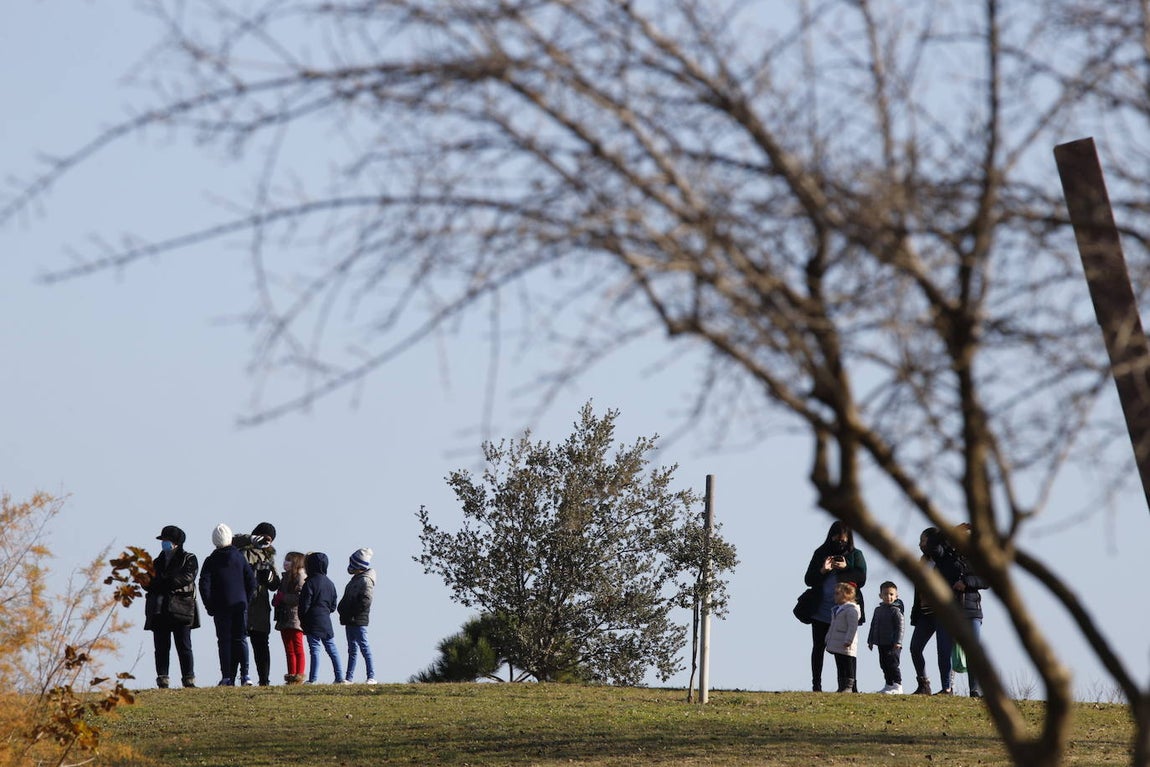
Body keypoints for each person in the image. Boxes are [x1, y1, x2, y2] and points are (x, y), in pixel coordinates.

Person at [801, 521, 867, 691]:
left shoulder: (855, 555)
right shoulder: (821, 553)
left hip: (844, 611)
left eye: (843, 540)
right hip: (821, 610)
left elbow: (862, 578)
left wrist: (846, 567)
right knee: (818, 647)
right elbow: (808, 579)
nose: (839, 542)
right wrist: (823, 570)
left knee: (845, 650)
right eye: (836, 538)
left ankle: (848, 686)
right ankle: (816, 684)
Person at [929, 524, 989, 697]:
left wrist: (967, 583)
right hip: (947, 608)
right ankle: (946, 687)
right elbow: (932, 545)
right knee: (944, 649)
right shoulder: (943, 555)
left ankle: (974, 689)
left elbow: (987, 580)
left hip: (971, 610)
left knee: (973, 651)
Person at [198, 523, 256, 686]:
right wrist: (246, 599)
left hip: (220, 606)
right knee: (241, 639)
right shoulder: (240, 558)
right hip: (239, 605)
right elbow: (251, 581)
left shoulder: (211, 560)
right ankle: (245, 675)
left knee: (224, 641)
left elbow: (204, 584)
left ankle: (227, 676)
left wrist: (209, 605)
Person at [143, 525, 200, 689]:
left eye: (167, 541)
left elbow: (186, 577)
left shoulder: (188, 558)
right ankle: (162, 677)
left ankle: (188, 678)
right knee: (161, 646)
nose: (164, 544)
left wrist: (163, 582)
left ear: (175, 543)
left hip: (181, 607)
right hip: (159, 609)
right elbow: (147, 582)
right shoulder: (157, 561)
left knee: (184, 645)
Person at [233, 522, 281, 686]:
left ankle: (264, 680)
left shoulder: (268, 556)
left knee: (261, 645)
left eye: (270, 540)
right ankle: (236, 677)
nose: (267, 542)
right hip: (242, 602)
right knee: (238, 642)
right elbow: (230, 540)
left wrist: (268, 577)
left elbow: (276, 584)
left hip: (260, 605)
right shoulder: (240, 550)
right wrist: (252, 539)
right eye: (265, 538)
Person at [298, 551, 344, 684]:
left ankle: (313, 679)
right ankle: (339, 677)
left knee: (315, 649)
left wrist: (303, 618)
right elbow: (333, 604)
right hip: (325, 620)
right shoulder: (330, 583)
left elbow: (304, 604)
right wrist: (325, 611)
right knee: (331, 648)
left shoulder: (310, 583)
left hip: (312, 620)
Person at [908, 527, 941, 695]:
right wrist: (916, 610)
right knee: (915, 647)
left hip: (942, 612)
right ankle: (923, 682)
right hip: (925, 611)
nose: (920, 544)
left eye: (923, 541)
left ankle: (948, 685)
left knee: (943, 649)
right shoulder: (923, 561)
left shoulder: (944, 559)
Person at [338, 547, 377, 684]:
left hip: (358, 619)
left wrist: (353, 612)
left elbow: (366, 601)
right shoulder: (355, 579)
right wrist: (342, 608)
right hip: (349, 619)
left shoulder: (365, 580)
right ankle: (349, 678)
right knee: (352, 650)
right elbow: (346, 597)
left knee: (364, 647)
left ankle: (371, 676)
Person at [274, 551, 308, 684]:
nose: (285, 562)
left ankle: (299, 675)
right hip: (284, 616)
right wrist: (277, 600)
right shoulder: (286, 577)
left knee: (297, 647)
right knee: (288, 648)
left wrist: (284, 598)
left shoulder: (300, 576)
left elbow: (300, 598)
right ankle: (291, 674)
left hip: (295, 617)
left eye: (289, 560)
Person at [867, 580, 905, 694]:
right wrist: (870, 640)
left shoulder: (896, 611)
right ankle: (888, 684)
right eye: (885, 594)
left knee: (893, 664)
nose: (888, 597)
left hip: (892, 644)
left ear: (896, 596)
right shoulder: (878, 610)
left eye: (891, 594)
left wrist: (898, 642)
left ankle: (897, 685)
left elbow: (900, 627)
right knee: (883, 664)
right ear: (880, 596)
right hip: (881, 642)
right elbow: (873, 625)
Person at [825, 581, 861, 693]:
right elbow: (833, 626)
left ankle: (848, 686)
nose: (834, 596)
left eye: (837, 593)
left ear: (847, 594)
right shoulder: (837, 609)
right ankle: (841, 685)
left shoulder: (851, 610)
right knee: (839, 664)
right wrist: (828, 638)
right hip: (837, 642)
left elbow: (852, 627)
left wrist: (849, 640)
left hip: (846, 643)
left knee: (847, 664)